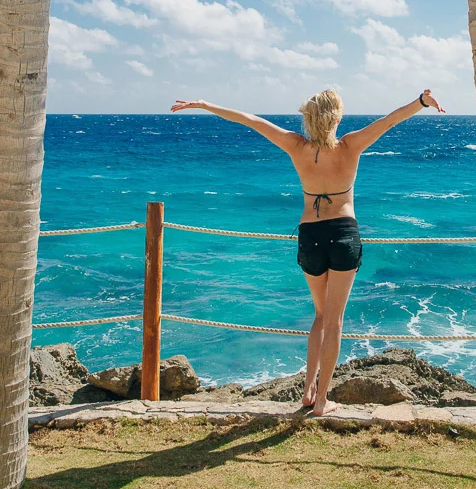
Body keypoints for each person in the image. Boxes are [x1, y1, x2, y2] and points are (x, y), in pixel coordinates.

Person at [170, 89, 446, 415]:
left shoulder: (295, 146)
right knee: (335, 320)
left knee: (319, 317)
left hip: (311, 235)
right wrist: (421, 102)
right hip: (344, 233)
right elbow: (390, 121)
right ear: (336, 117)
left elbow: (250, 121)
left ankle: (307, 391)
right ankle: (323, 401)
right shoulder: (351, 145)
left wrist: (204, 105)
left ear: (309, 117)